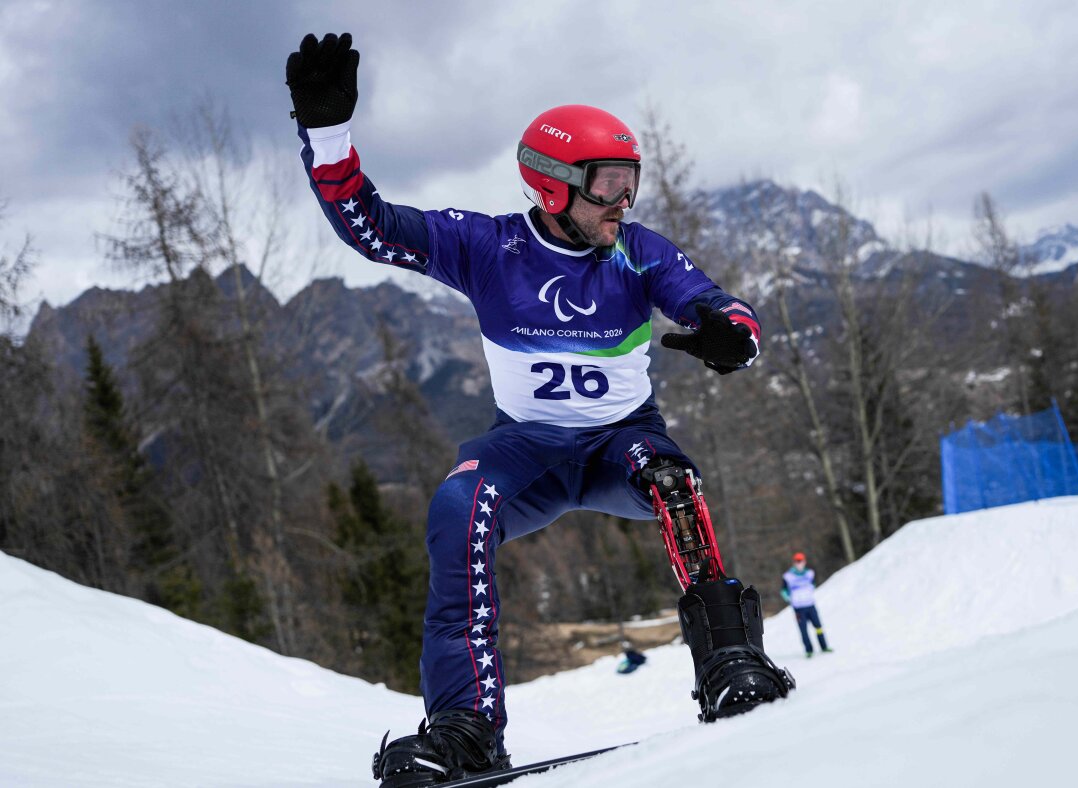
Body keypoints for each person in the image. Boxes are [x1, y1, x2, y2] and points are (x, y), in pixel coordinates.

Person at [285, 33, 793, 788]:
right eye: (607, 186)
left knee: (675, 482)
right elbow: (374, 228)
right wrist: (328, 137)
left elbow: (722, 307)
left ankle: (731, 665)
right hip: (528, 449)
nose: (623, 203)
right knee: (458, 504)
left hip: (624, 443)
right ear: (553, 186)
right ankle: (466, 728)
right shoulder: (487, 247)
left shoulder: (637, 250)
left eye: (632, 185)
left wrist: (731, 335)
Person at [781, 553, 832, 658]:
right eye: (797, 561)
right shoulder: (788, 576)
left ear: (804, 561)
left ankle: (824, 646)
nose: (799, 563)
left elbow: (813, 584)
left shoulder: (809, 573)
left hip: (810, 605)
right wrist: (789, 598)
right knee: (803, 630)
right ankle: (809, 650)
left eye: (801, 561)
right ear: (794, 562)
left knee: (818, 626)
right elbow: (783, 591)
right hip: (799, 608)